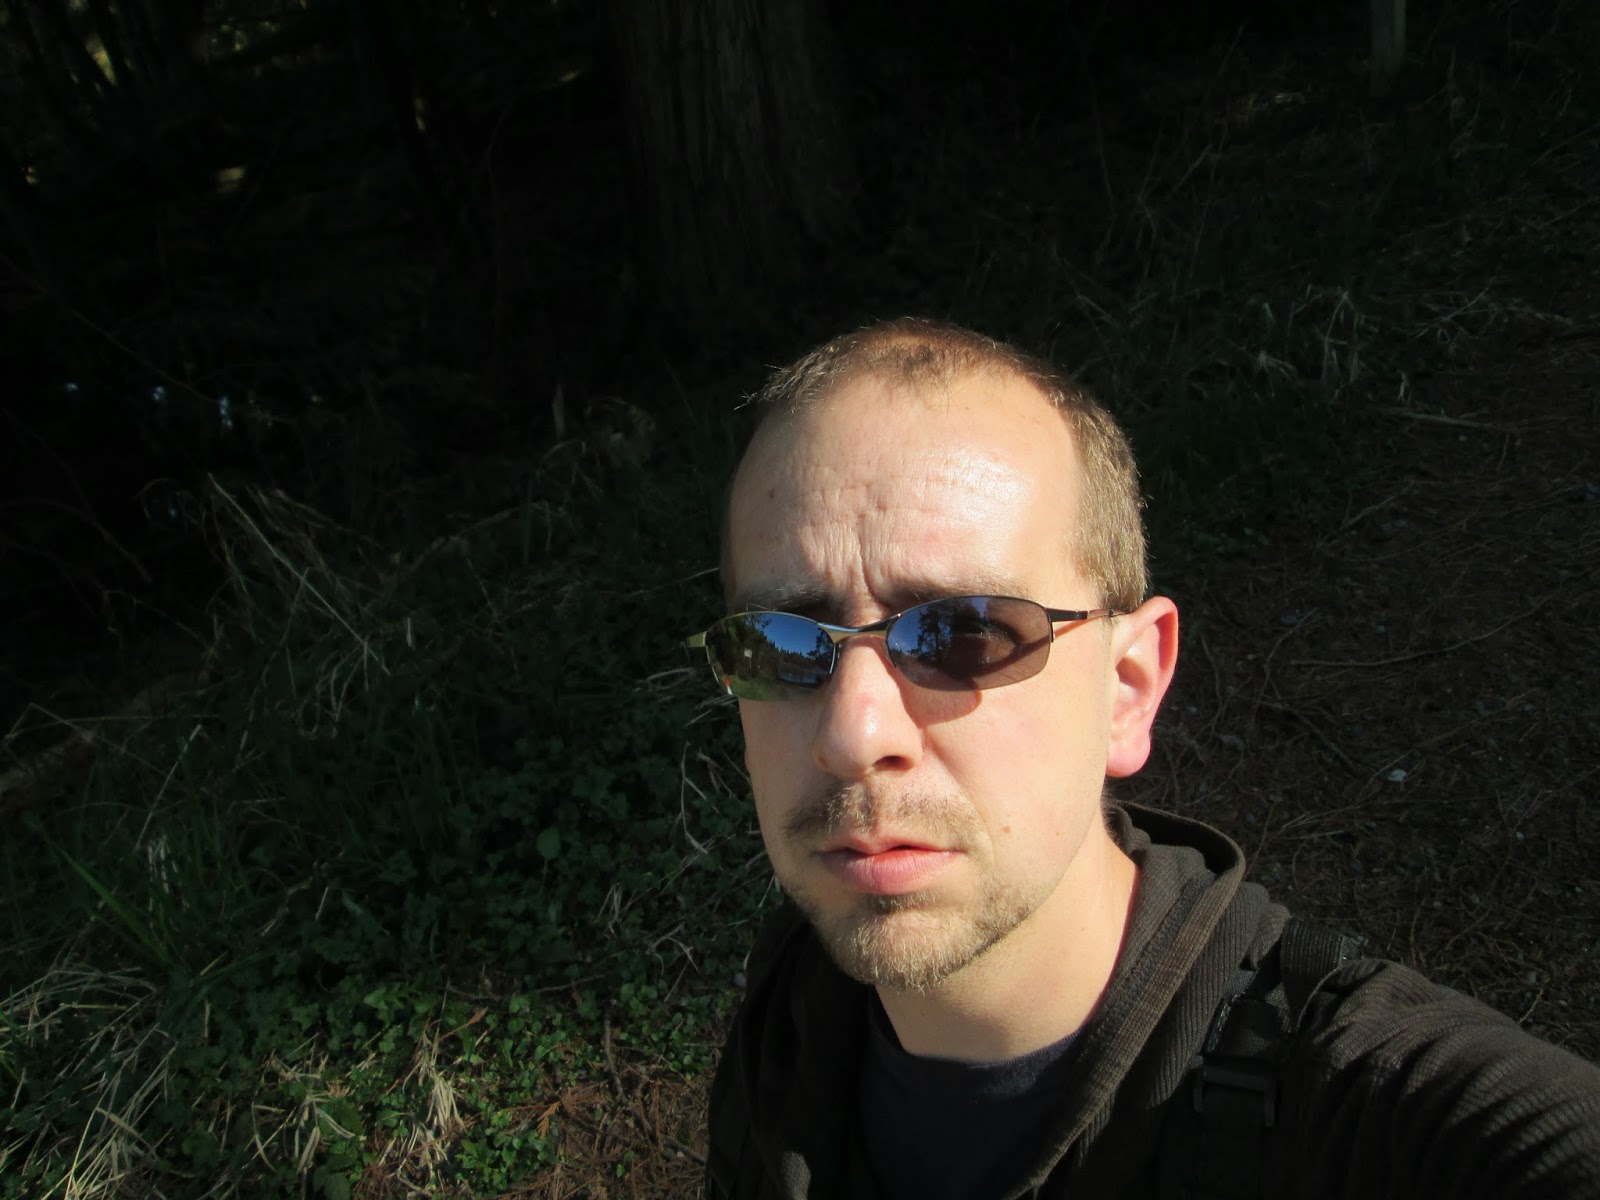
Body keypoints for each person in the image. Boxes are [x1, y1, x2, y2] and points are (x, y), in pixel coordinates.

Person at [686, 318, 1600, 1199]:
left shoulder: (1360, 1111)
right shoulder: (791, 1015)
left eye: (964, 634)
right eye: (781, 644)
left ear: (1127, 688)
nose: (852, 736)